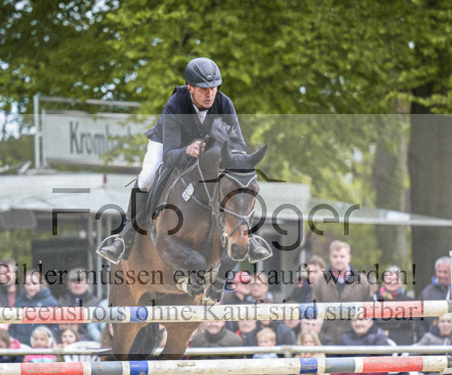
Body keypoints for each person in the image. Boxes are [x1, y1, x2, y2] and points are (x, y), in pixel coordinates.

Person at [95, 57, 271, 281]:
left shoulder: (224, 103)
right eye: (203, 89)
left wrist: (235, 160)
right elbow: (169, 156)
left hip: (208, 149)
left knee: (237, 182)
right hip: (171, 146)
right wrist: (187, 151)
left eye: (214, 88)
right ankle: (125, 235)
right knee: (147, 176)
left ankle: (248, 235)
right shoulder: (176, 105)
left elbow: (237, 144)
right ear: (190, 88)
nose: (210, 94)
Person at [311, 241, 371, 343]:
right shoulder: (320, 281)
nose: (338, 260)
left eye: (342, 256)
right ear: (330, 258)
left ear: (349, 258)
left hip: (354, 339)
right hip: (326, 338)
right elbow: (314, 309)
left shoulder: (362, 281)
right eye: (335, 256)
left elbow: (368, 311)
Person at [10, 270, 59, 344]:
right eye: (28, 284)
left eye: (34, 284)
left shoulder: (51, 303)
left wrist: (47, 341)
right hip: (20, 347)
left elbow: (55, 328)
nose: (31, 287)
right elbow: (12, 326)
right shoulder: (19, 301)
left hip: (42, 348)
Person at [58, 269, 103, 342]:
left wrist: (80, 338)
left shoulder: (96, 303)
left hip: (89, 343)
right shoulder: (61, 302)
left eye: (81, 280)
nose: (77, 283)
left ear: (87, 282)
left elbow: (97, 328)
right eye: (74, 281)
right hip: (65, 343)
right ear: (69, 284)